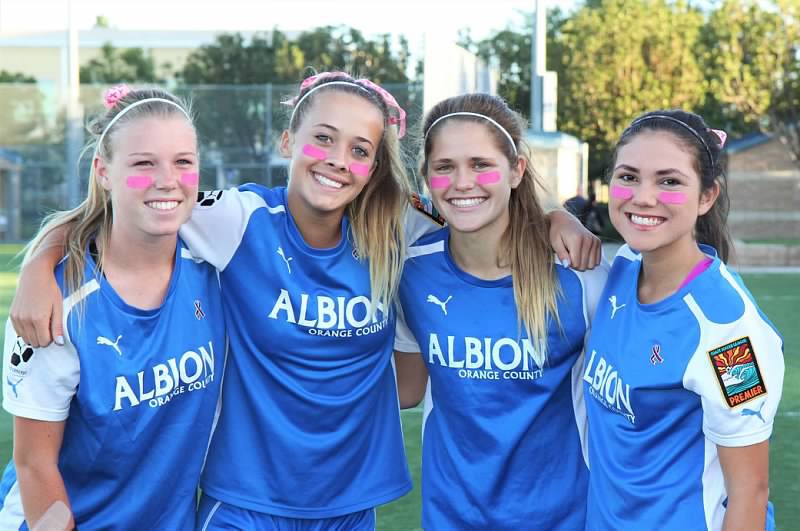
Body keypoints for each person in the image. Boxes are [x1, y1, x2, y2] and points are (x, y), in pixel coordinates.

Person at [9, 73, 600, 530]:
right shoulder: (238, 220)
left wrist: (554, 217)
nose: (338, 159)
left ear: (374, 167)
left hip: (351, 500)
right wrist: (40, 265)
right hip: (246, 499)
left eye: (360, 150)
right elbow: (144, 202)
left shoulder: (397, 230)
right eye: (322, 138)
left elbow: (479, 207)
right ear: (288, 139)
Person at [0, 86, 226, 529]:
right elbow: (34, 464)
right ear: (103, 171)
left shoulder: (215, 258)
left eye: (183, 161)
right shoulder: (56, 306)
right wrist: (40, 265)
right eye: (143, 163)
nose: (167, 180)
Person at [393, 93, 608, 530]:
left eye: (481, 164)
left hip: (562, 519)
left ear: (516, 170)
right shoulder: (411, 273)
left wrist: (557, 217)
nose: (462, 182)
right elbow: (406, 389)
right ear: (426, 177)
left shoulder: (580, 277)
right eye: (444, 167)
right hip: (450, 518)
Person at [583, 110, 783, 530]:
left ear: (707, 196)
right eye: (628, 177)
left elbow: (749, 492)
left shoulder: (729, 332)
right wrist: (557, 220)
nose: (643, 197)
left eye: (669, 181)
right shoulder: (623, 267)